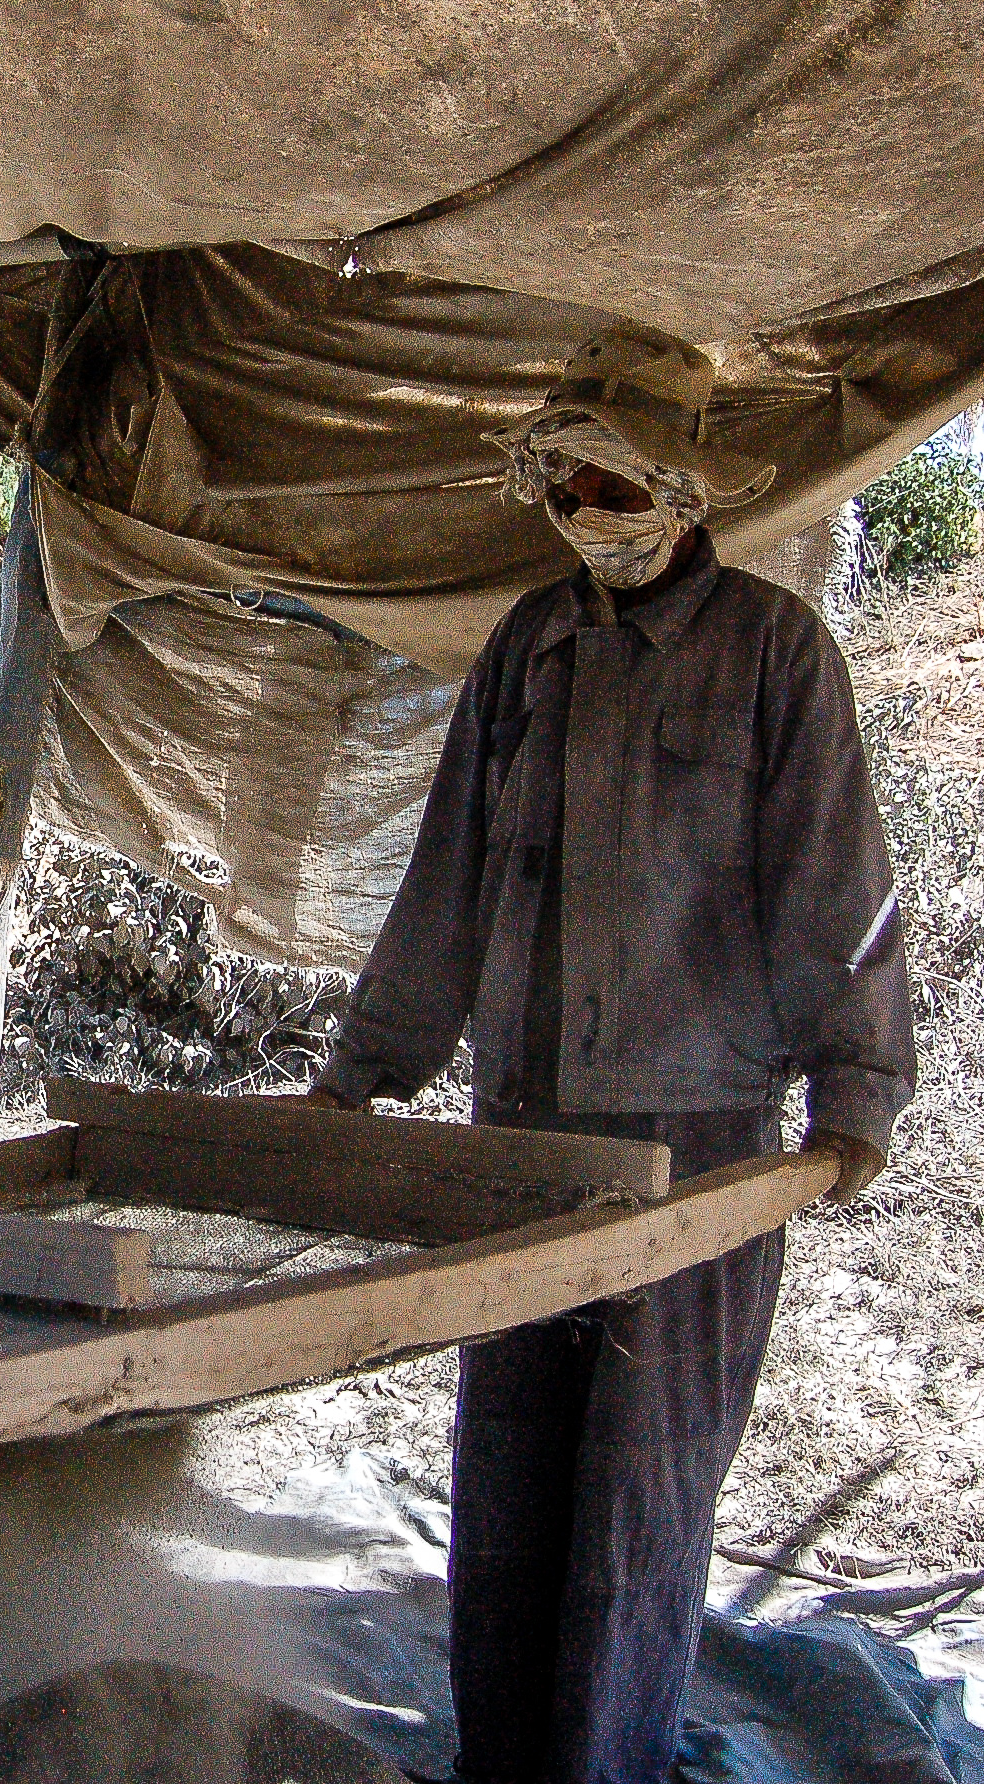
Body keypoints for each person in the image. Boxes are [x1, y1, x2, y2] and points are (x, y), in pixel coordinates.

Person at [313, 325, 911, 1784]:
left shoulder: (775, 654)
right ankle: (503, 1762)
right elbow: (446, 880)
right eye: (566, 483)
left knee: (638, 1503)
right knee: (510, 1479)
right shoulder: (530, 645)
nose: (586, 509)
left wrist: (854, 1100)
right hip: (522, 1137)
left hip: (691, 1149)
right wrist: (361, 1082)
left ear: (686, 496)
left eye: (614, 482)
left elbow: (840, 885)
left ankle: (607, 1765)